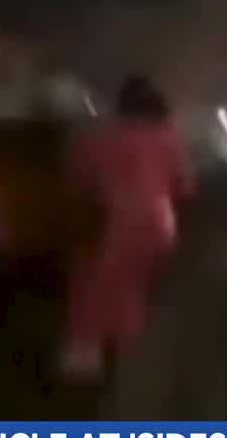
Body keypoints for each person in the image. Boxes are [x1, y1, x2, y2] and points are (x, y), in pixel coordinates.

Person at [61, 74, 194, 383]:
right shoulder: (169, 139)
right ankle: (133, 365)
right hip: (160, 226)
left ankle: (85, 369)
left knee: (94, 290)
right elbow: (185, 188)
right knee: (138, 292)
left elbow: (79, 179)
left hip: (114, 224)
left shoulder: (100, 139)